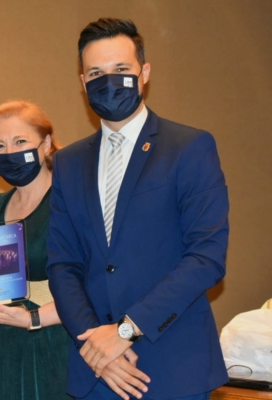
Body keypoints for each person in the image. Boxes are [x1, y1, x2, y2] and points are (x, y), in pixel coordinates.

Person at [46, 18, 229, 400]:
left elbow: (206, 257)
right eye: (96, 73)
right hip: (95, 370)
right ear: (82, 82)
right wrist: (96, 343)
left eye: (121, 70)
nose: (107, 81)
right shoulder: (68, 163)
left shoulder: (189, 148)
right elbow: (63, 264)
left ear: (144, 73)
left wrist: (124, 331)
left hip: (173, 368)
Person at [0, 101, 71, 399]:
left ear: (46, 143)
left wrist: (33, 319)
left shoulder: (70, 203)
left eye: (20, 141)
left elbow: (91, 285)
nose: (9, 152)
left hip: (51, 340)